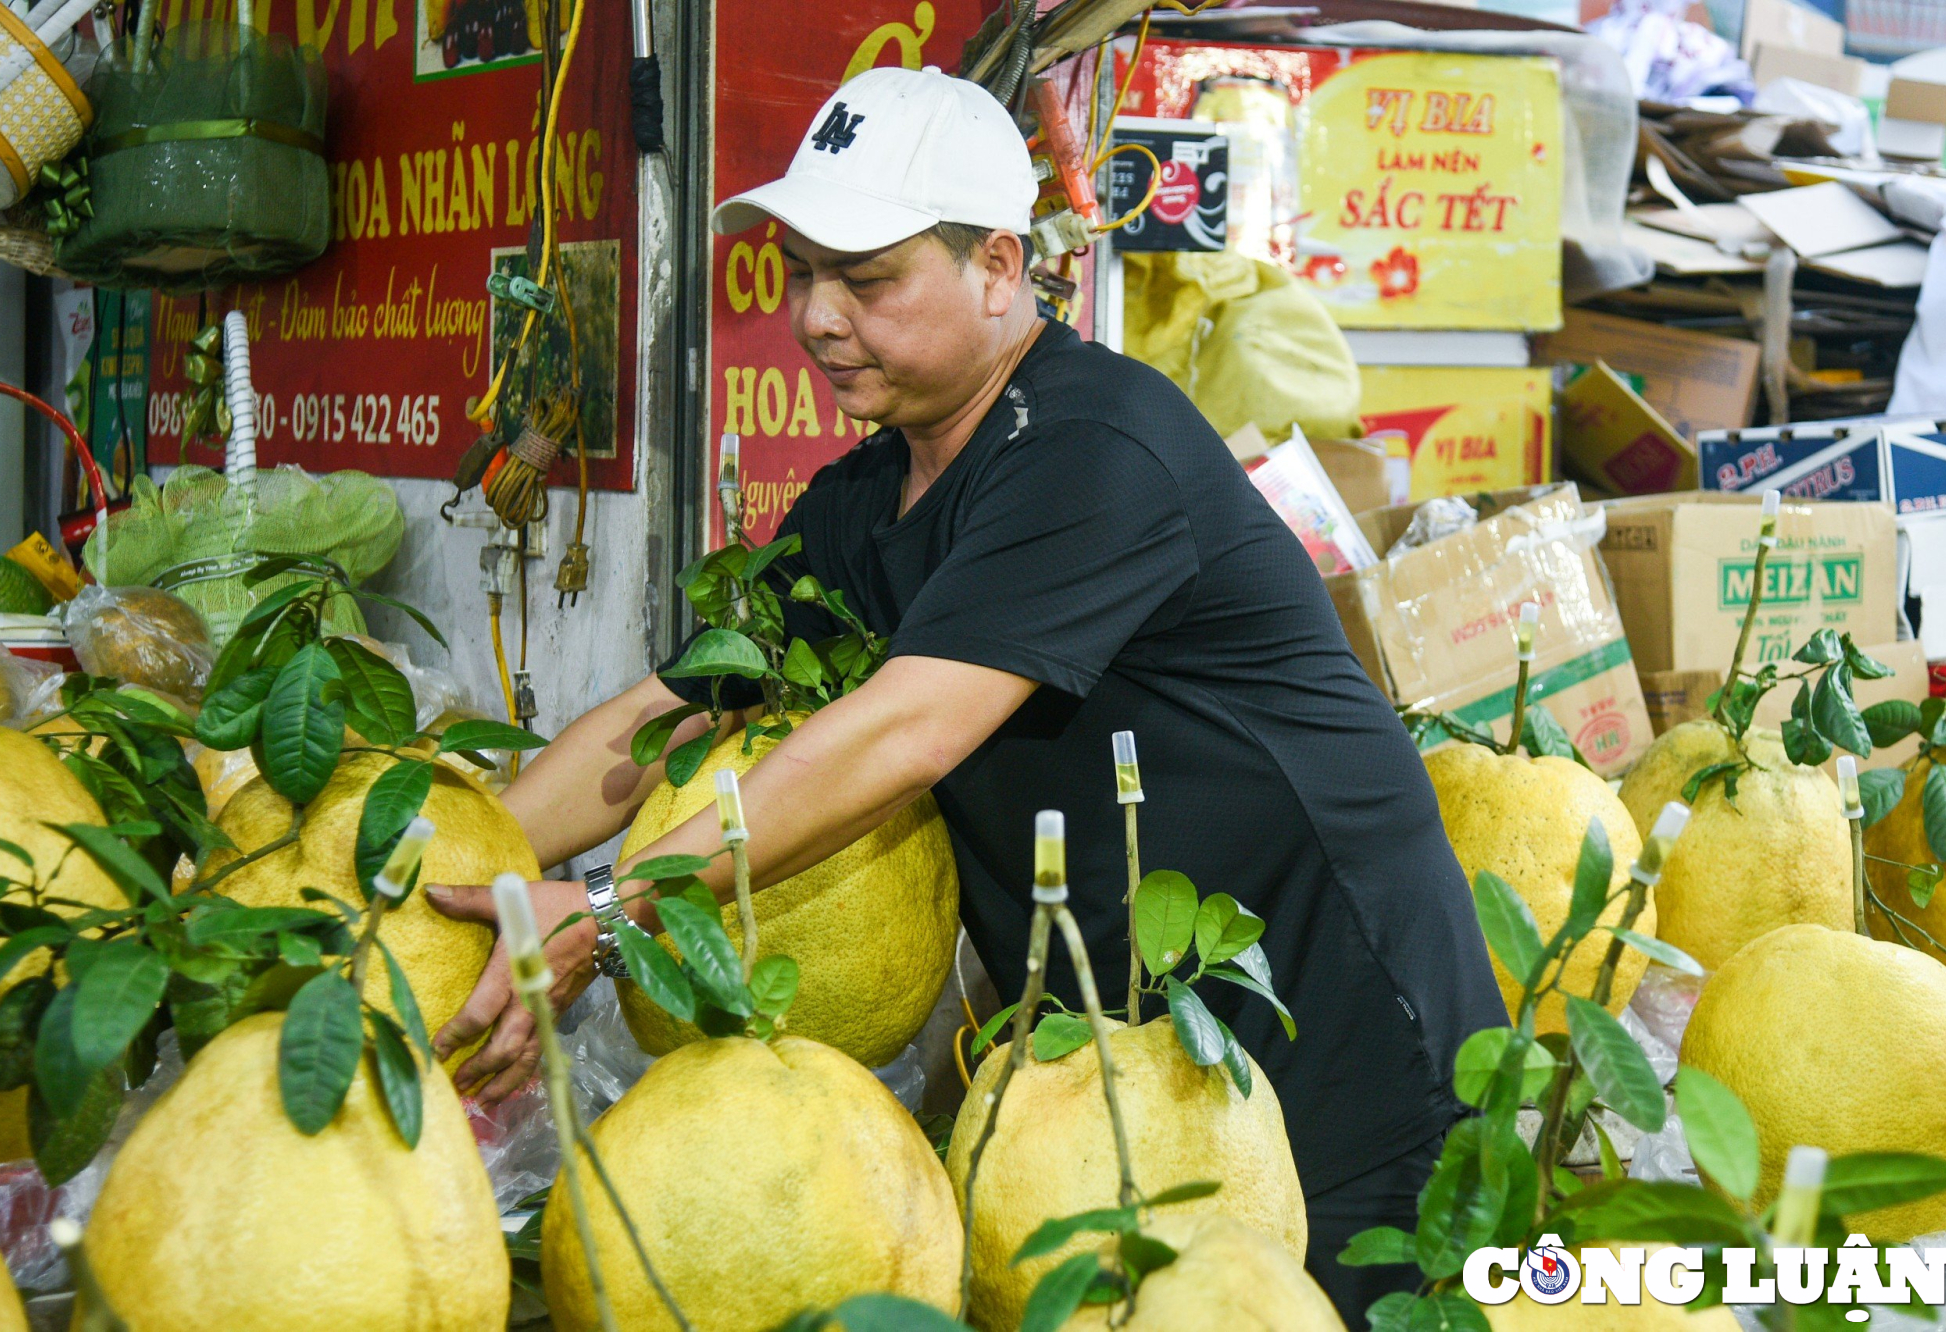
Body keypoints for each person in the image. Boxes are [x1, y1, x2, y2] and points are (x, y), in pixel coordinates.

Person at [422, 65, 1506, 1323]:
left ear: (1000, 268)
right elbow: (663, 709)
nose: (818, 316)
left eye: (867, 277)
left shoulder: (1098, 450)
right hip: (1143, 1060)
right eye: (799, 272)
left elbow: (903, 730)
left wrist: (608, 907)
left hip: (1337, 1031)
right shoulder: (861, 504)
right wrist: (465, 864)